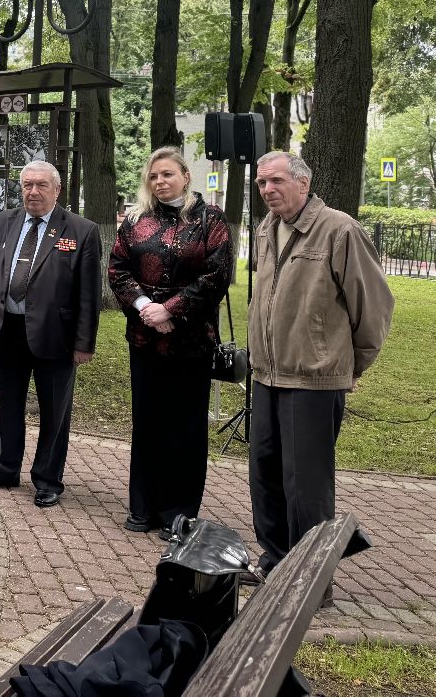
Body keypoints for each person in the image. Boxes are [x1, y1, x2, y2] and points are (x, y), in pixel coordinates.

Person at [247, 151, 392, 579]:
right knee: (266, 475)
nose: (267, 190)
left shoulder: (339, 229)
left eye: (275, 181)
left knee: (305, 487)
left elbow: (375, 307)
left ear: (303, 183)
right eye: (261, 184)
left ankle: (310, 580)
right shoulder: (265, 229)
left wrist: (345, 365)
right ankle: (274, 563)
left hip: (312, 379)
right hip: (266, 374)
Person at [108, 147, 232, 536]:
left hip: (191, 340)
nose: (160, 182)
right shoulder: (135, 220)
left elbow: (216, 275)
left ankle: (178, 512)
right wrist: (146, 307)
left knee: (186, 427)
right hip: (145, 338)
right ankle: (142, 508)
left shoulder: (210, 219)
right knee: (148, 422)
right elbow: (117, 269)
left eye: (167, 175)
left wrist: (171, 311)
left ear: (185, 176)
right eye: (154, 176)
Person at [0, 160, 100, 508]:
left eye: (41, 185)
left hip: (55, 336)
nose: (33, 191)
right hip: (10, 330)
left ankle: (47, 479)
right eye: (27, 185)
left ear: (57, 190)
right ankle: (5, 467)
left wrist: (84, 342)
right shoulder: (2, 223)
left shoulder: (81, 230)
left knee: (54, 410)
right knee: (8, 406)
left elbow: (89, 295)